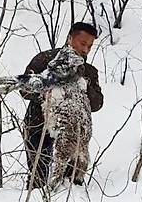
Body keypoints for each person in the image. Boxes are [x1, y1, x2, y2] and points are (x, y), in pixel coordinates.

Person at [20, 22, 104, 189]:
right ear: (70, 38)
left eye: (90, 46)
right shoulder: (45, 60)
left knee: (71, 183)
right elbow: (24, 90)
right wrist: (50, 86)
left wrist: (84, 86)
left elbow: (97, 104)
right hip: (38, 124)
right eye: (83, 43)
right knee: (38, 177)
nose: (86, 50)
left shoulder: (88, 71)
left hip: (73, 130)